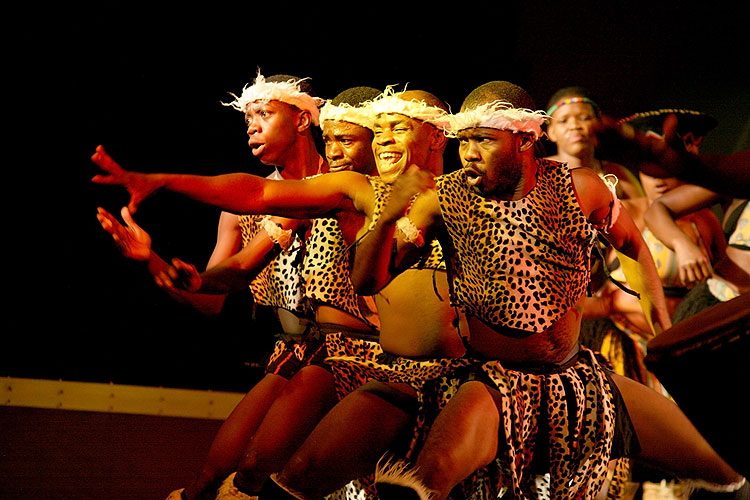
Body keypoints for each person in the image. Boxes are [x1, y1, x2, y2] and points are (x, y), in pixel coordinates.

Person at [351, 81, 745, 500]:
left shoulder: (582, 187)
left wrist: (660, 329)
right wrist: (389, 218)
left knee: (726, 469)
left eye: (483, 140)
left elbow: (633, 247)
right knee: (427, 482)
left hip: (580, 377)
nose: (468, 154)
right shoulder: (443, 199)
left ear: (523, 139)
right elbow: (367, 282)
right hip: (494, 385)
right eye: (464, 142)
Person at [91, 87, 470, 500]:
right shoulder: (332, 196)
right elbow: (252, 213)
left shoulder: (395, 195)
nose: (340, 150)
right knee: (219, 473)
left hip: (375, 357)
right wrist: (161, 222)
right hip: (306, 352)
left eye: (349, 140)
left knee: (277, 472)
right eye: (334, 141)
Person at [94, 72, 334, 500]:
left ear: (302, 120)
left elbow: (243, 265)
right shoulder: (239, 211)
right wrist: (151, 259)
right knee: (210, 477)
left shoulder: (338, 182)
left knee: (262, 473)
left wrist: (162, 180)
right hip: (292, 355)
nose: (253, 127)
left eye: (264, 113)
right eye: (247, 120)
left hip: (349, 351)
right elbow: (210, 303)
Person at [580, 109, 728, 392]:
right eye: (650, 170)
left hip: (685, 347)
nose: (659, 180)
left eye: (665, 170)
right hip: (627, 344)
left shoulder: (704, 220)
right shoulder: (622, 212)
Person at [544, 86, 643, 202]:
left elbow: (642, 213)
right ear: (551, 132)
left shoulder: (615, 174)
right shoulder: (539, 173)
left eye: (584, 118)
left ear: (598, 125)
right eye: (563, 121)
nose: (574, 126)